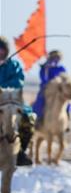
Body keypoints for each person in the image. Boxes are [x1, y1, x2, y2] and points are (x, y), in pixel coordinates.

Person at [0, 36, 35, 166]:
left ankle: (20, 152)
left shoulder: (14, 65)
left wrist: (2, 85)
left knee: (28, 120)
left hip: (10, 100)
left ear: (6, 51)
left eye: (1, 49)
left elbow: (18, 81)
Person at [32, 50, 70, 129]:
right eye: (55, 58)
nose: (56, 60)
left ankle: (67, 120)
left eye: (58, 58)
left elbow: (65, 78)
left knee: (67, 102)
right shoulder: (44, 67)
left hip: (59, 90)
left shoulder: (61, 68)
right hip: (47, 89)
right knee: (40, 101)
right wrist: (46, 69)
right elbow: (43, 79)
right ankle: (38, 120)